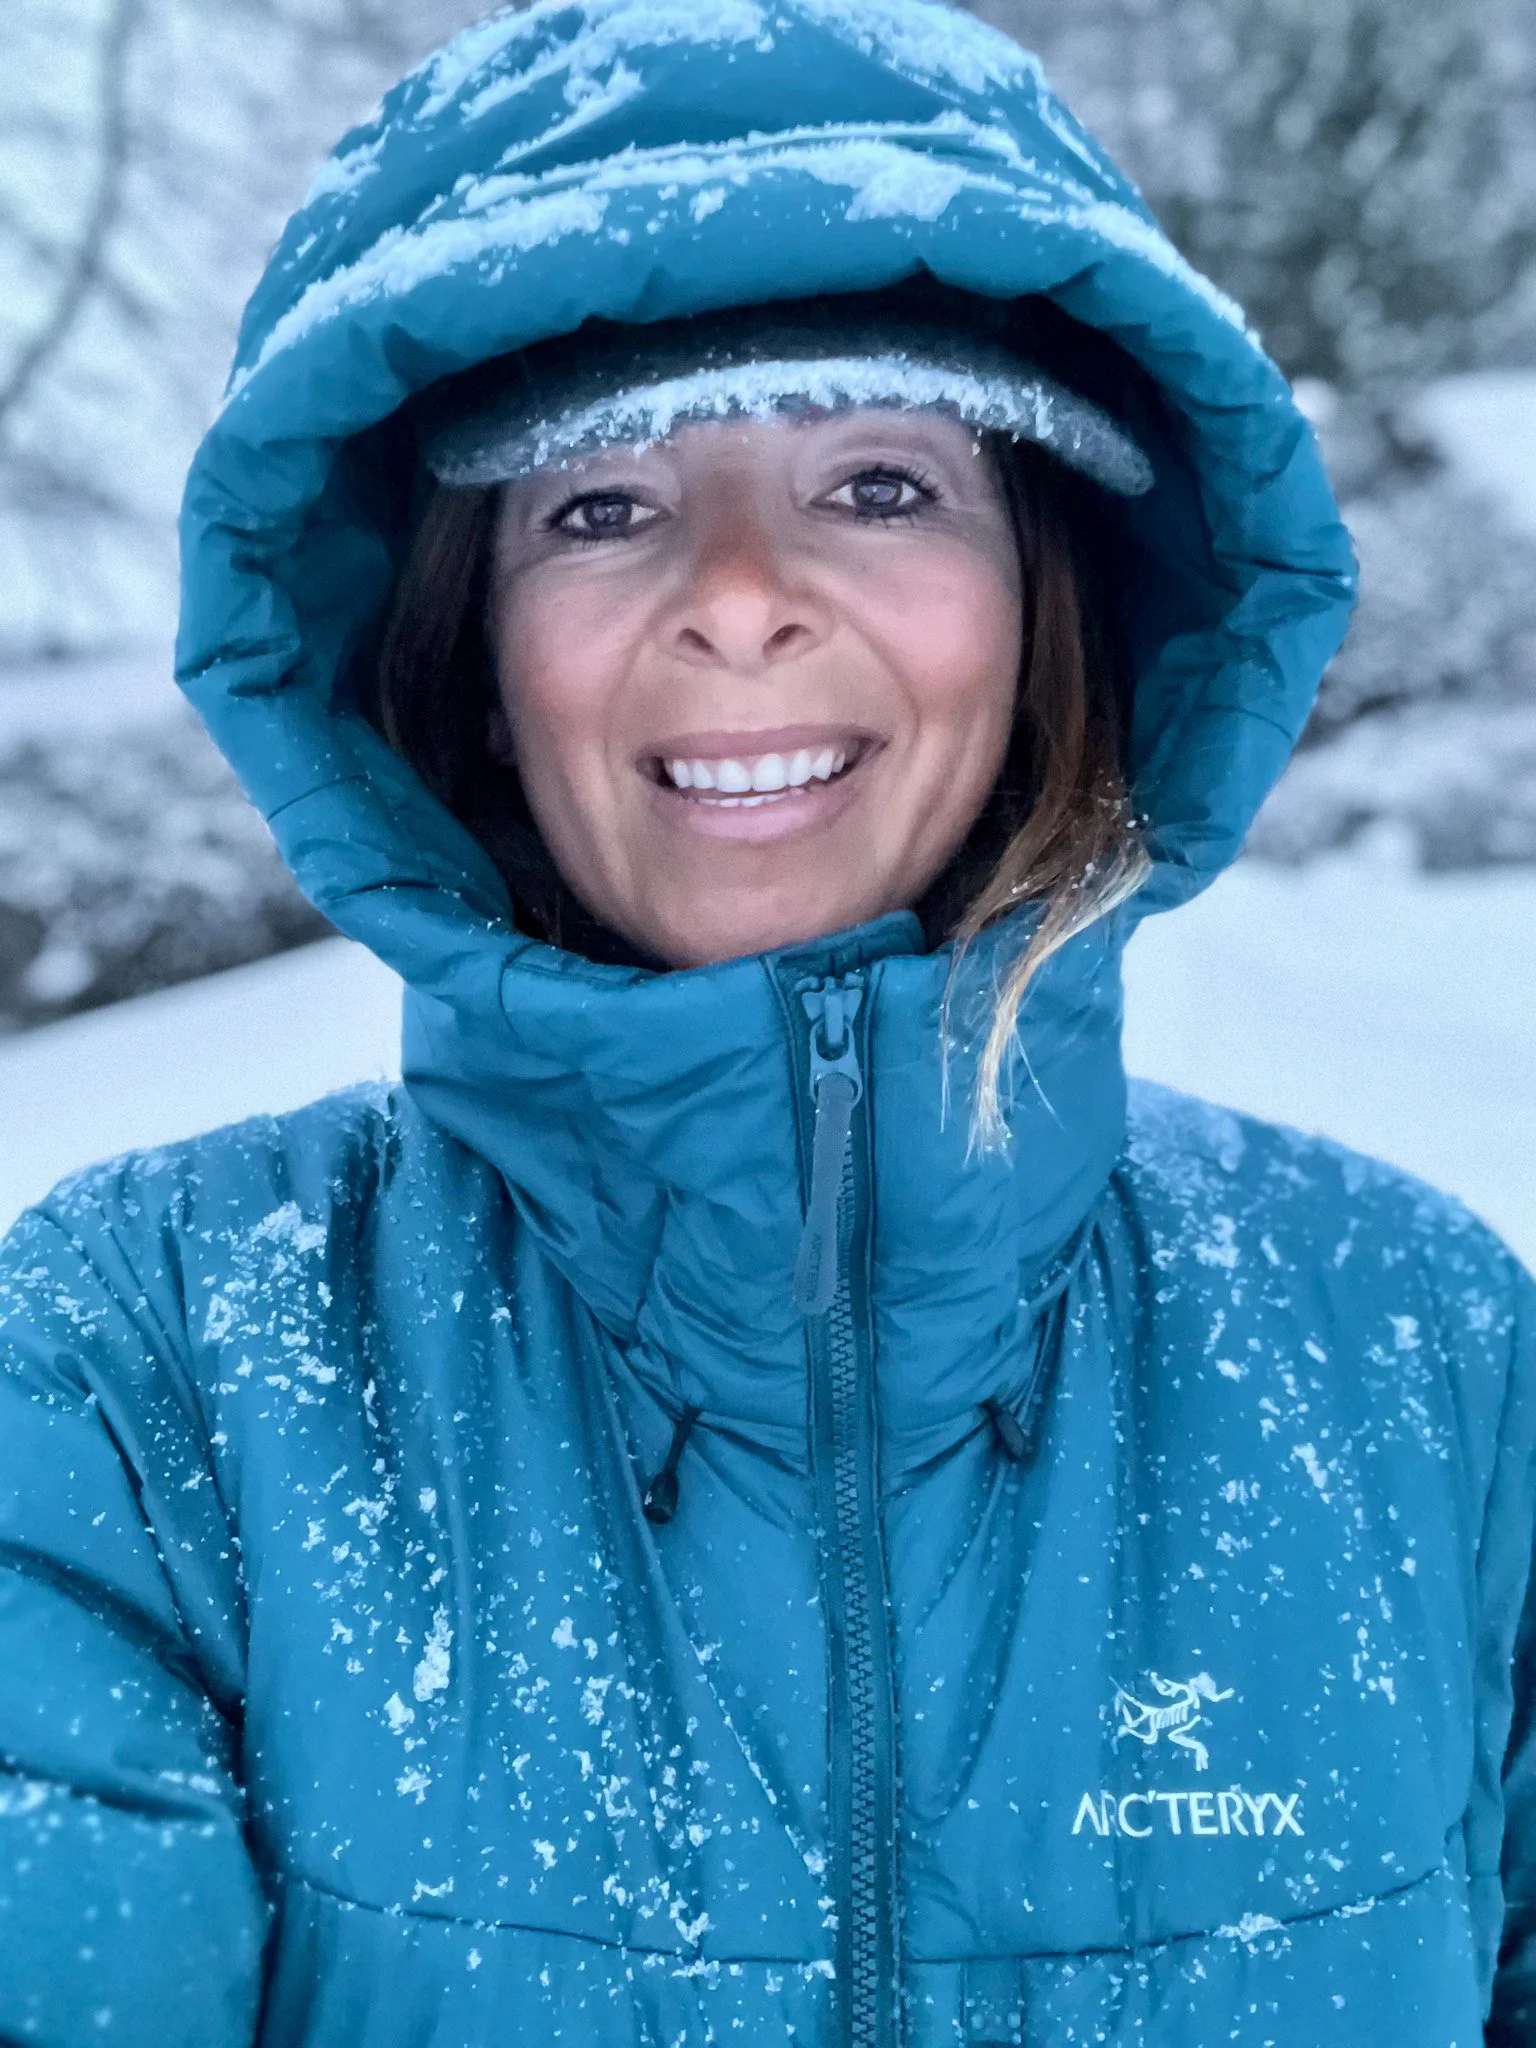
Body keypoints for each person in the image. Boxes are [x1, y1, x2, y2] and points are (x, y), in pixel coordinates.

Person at [1, 1, 1533, 2043]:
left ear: (1048, 598)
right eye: (600, 506)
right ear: (462, 655)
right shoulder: (144, 1377)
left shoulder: (1427, 1361)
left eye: (883, 480)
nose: (739, 594)